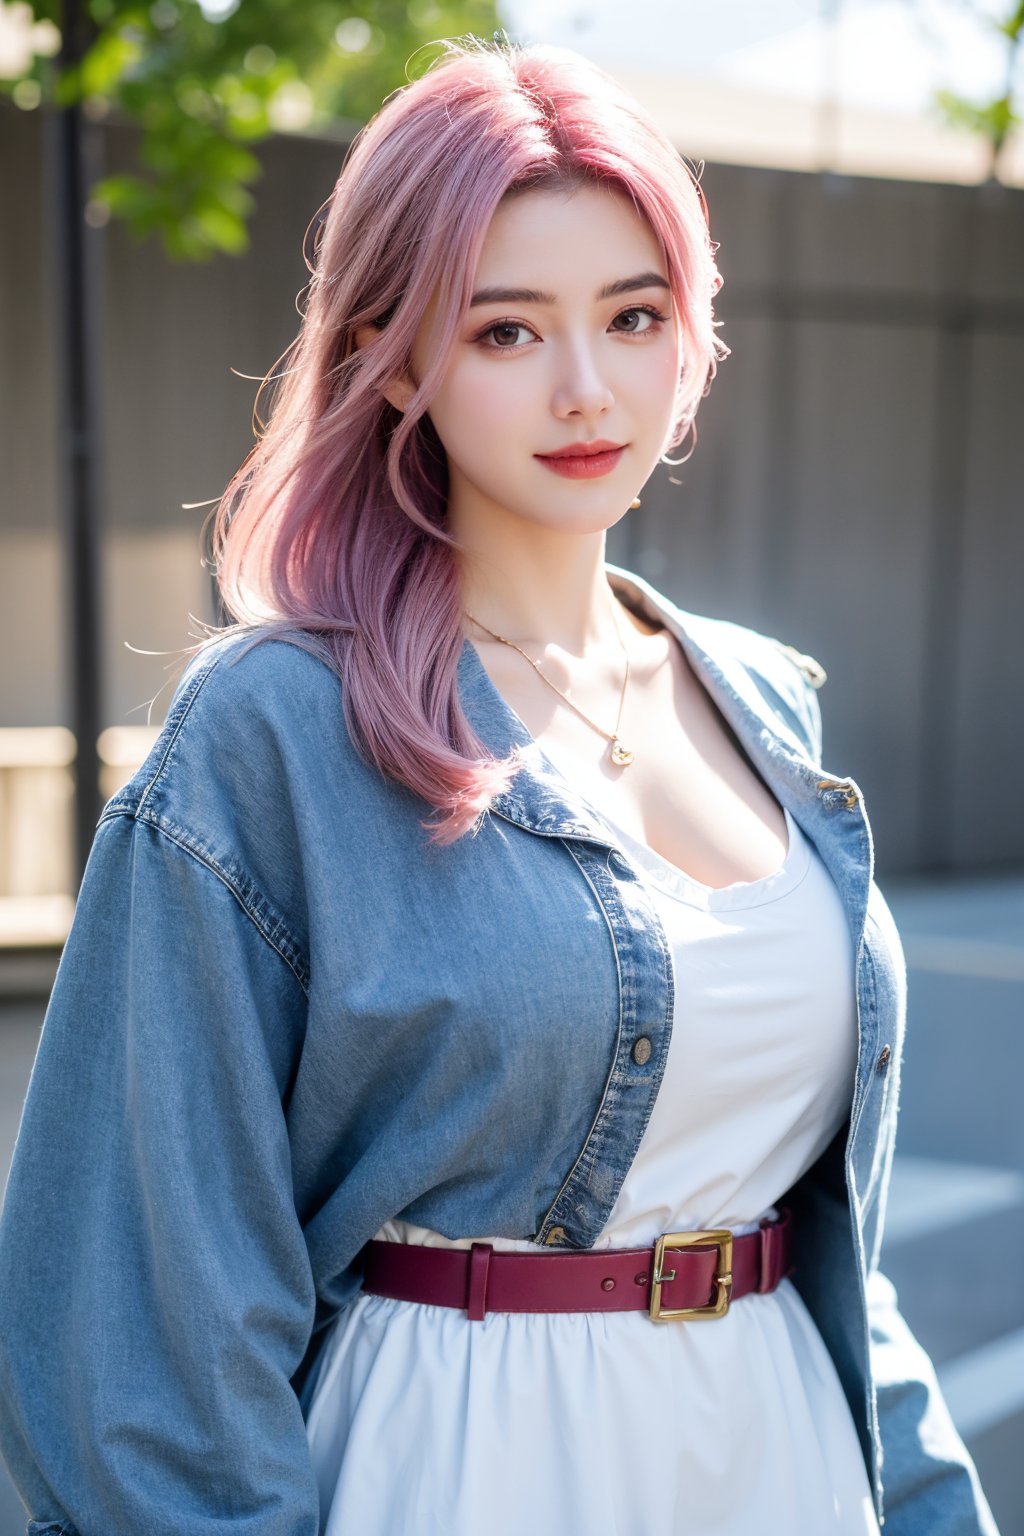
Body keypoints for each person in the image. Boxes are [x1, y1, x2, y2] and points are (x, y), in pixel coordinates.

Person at [0, 33, 1001, 1536]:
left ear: (692, 337)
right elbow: (138, 1326)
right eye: (507, 332)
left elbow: (837, 1253)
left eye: (633, 315)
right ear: (396, 355)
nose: (588, 387)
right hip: (467, 1468)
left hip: (779, 1459)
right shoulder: (276, 732)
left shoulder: (764, 699)